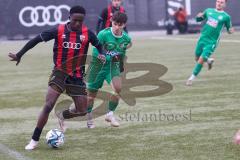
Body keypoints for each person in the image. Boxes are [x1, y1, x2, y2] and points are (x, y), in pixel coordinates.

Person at [9, 5, 104, 150]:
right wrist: (19, 54)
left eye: (81, 21)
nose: (77, 24)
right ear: (69, 18)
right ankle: (34, 140)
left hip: (77, 77)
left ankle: (62, 115)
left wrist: (102, 53)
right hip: (59, 73)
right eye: (75, 20)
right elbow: (36, 40)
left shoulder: (87, 33)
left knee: (82, 111)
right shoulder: (58, 30)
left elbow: (98, 44)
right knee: (48, 105)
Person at [58, 12, 132, 129]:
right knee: (91, 96)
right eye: (115, 24)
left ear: (124, 25)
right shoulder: (103, 34)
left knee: (118, 89)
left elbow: (122, 53)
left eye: (120, 25)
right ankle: (89, 116)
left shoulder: (126, 38)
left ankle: (110, 114)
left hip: (112, 67)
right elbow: (96, 50)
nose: (117, 27)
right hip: (97, 66)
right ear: (112, 22)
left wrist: (120, 65)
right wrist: (107, 57)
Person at [186, 0, 234, 86]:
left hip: (212, 42)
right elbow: (198, 19)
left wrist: (230, 31)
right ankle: (208, 61)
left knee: (201, 59)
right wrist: (198, 16)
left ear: (225, 4)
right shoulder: (208, 11)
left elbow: (229, 30)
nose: (219, 3)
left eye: (221, 2)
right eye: (218, 1)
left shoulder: (226, 17)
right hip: (202, 38)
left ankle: (191, 78)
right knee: (197, 58)